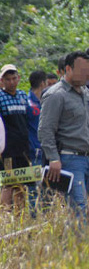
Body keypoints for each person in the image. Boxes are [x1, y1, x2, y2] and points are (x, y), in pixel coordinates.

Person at [38, 51, 89, 220]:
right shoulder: (56, 94)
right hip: (70, 159)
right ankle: (78, 245)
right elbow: (45, 129)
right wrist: (53, 158)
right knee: (78, 207)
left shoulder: (86, 92)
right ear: (68, 69)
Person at [0, 64, 30, 211]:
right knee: (8, 183)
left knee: (22, 183)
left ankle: (20, 215)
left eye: (14, 78)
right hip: (7, 149)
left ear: (18, 78)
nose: (11, 82)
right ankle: (5, 215)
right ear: (2, 81)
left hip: (23, 148)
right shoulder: (0, 97)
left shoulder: (23, 96)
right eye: (8, 79)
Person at [26, 70, 46, 214]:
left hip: (46, 153)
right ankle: (34, 219)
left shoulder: (44, 101)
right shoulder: (28, 103)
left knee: (47, 189)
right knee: (33, 189)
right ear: (43, 83)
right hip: (34, 153)